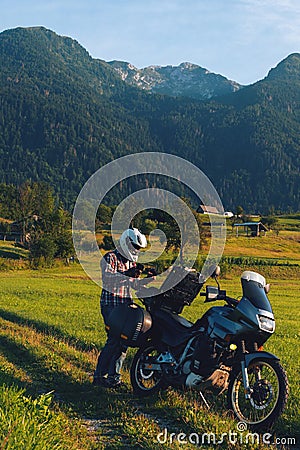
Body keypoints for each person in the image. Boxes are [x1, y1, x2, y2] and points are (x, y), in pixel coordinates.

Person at [93, 227, 154, 388]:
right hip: (111, 304)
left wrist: (146, 280)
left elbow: (132, 284)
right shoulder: (110, 257)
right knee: (113, 341)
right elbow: (108, 278)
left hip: (126, 304)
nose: (136, 250)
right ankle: (99, 376)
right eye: (135, 247)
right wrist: (129, 275)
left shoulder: (130, 262)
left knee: (124, 343)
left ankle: (114, 378)